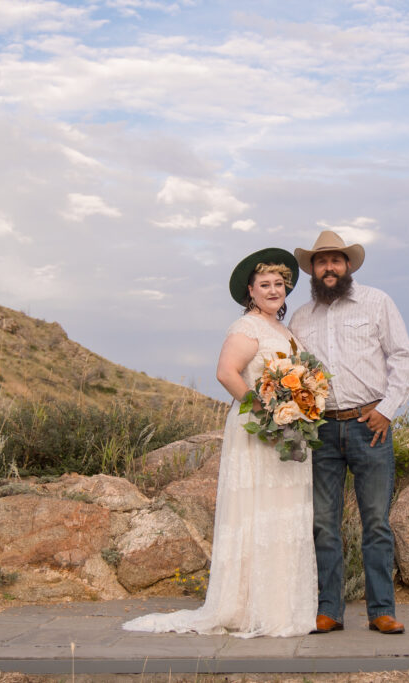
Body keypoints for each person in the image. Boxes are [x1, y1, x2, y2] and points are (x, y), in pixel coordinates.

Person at [121, 247, 316, 638]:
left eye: (279, 283)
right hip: (257, 429)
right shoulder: (247, 328)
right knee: (256, 510)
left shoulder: (286, 330)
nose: (274, 290)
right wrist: (264, 410)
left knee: (285, 511)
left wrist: (299, 406)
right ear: (251, 291)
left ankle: (280, 606)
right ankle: (245, 607)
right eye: (265, 284)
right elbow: (226, 373)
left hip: (287, 429)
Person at [289, 230, 409, 635]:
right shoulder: (301, 317)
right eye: (321, 261)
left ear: (347, 265)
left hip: (370, 427)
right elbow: (294, 375)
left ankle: (381, 610)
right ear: (312, 269)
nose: (329, 267)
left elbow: (403, 357)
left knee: (375, 521)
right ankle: (330, 609)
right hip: (322, 430)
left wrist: (387, 410)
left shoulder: (377, 302)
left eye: (335, 260)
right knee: (324, 523)